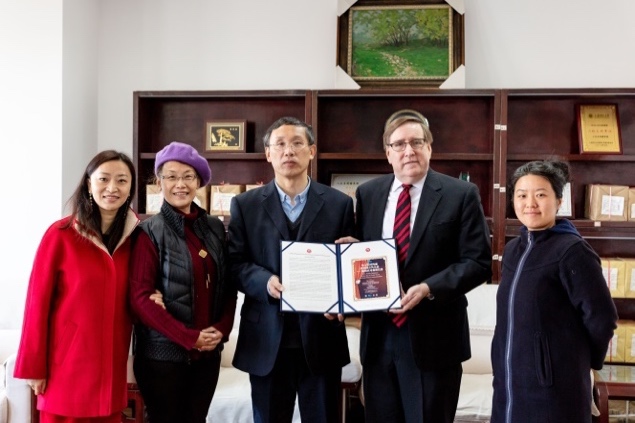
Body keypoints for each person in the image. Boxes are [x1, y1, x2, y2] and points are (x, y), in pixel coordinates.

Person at [352, 109, 492, 423]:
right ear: (388, 153)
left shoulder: (460, 194)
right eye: (399, 144)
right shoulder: (368, 194)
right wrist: (349, 253)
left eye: (417, 142)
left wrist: (429, 288)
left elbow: (479, 262)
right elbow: (364, 257)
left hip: (435, 338)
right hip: (379, 337)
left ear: (429, 147)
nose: (409, 151)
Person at [228, 116, 355, 423]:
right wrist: (264, 281)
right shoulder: (245, 205)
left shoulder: (339, 203)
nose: (289, 151)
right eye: (280, 144)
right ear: (268, 153)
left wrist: (343, 300)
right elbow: (234, 263)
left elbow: (347, 265)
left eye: (297, 143)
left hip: (322, 338)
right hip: (266, 339)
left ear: (311, 151)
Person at [14, 150, 140, 423]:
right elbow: (36, 304)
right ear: (88, 184)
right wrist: (33, 367)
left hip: (110, 370)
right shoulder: (60, 235)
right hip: (65, 368)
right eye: (104, 179)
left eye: (122, 180)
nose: (112, 188)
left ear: (131, 188)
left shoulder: (138, 238)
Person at [491, 160, 617, 423]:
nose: (530, 203)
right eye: (522, 195)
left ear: (559, 201)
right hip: (509, 387)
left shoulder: (572, 251)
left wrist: (583, 360)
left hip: (554, 390)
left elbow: (602, 317)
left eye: (540, 195)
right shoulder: (513, 250)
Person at [129, 141, 236, 423]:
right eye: (171, 177)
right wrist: (189, 338)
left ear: (198, 181)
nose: (180, 184)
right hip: (162, 357)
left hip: (207, 357)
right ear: (159, 182)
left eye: (188, 176)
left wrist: (221, 330)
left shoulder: (214, 227)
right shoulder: (148, 231)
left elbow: (228, 285)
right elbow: (140, 299)